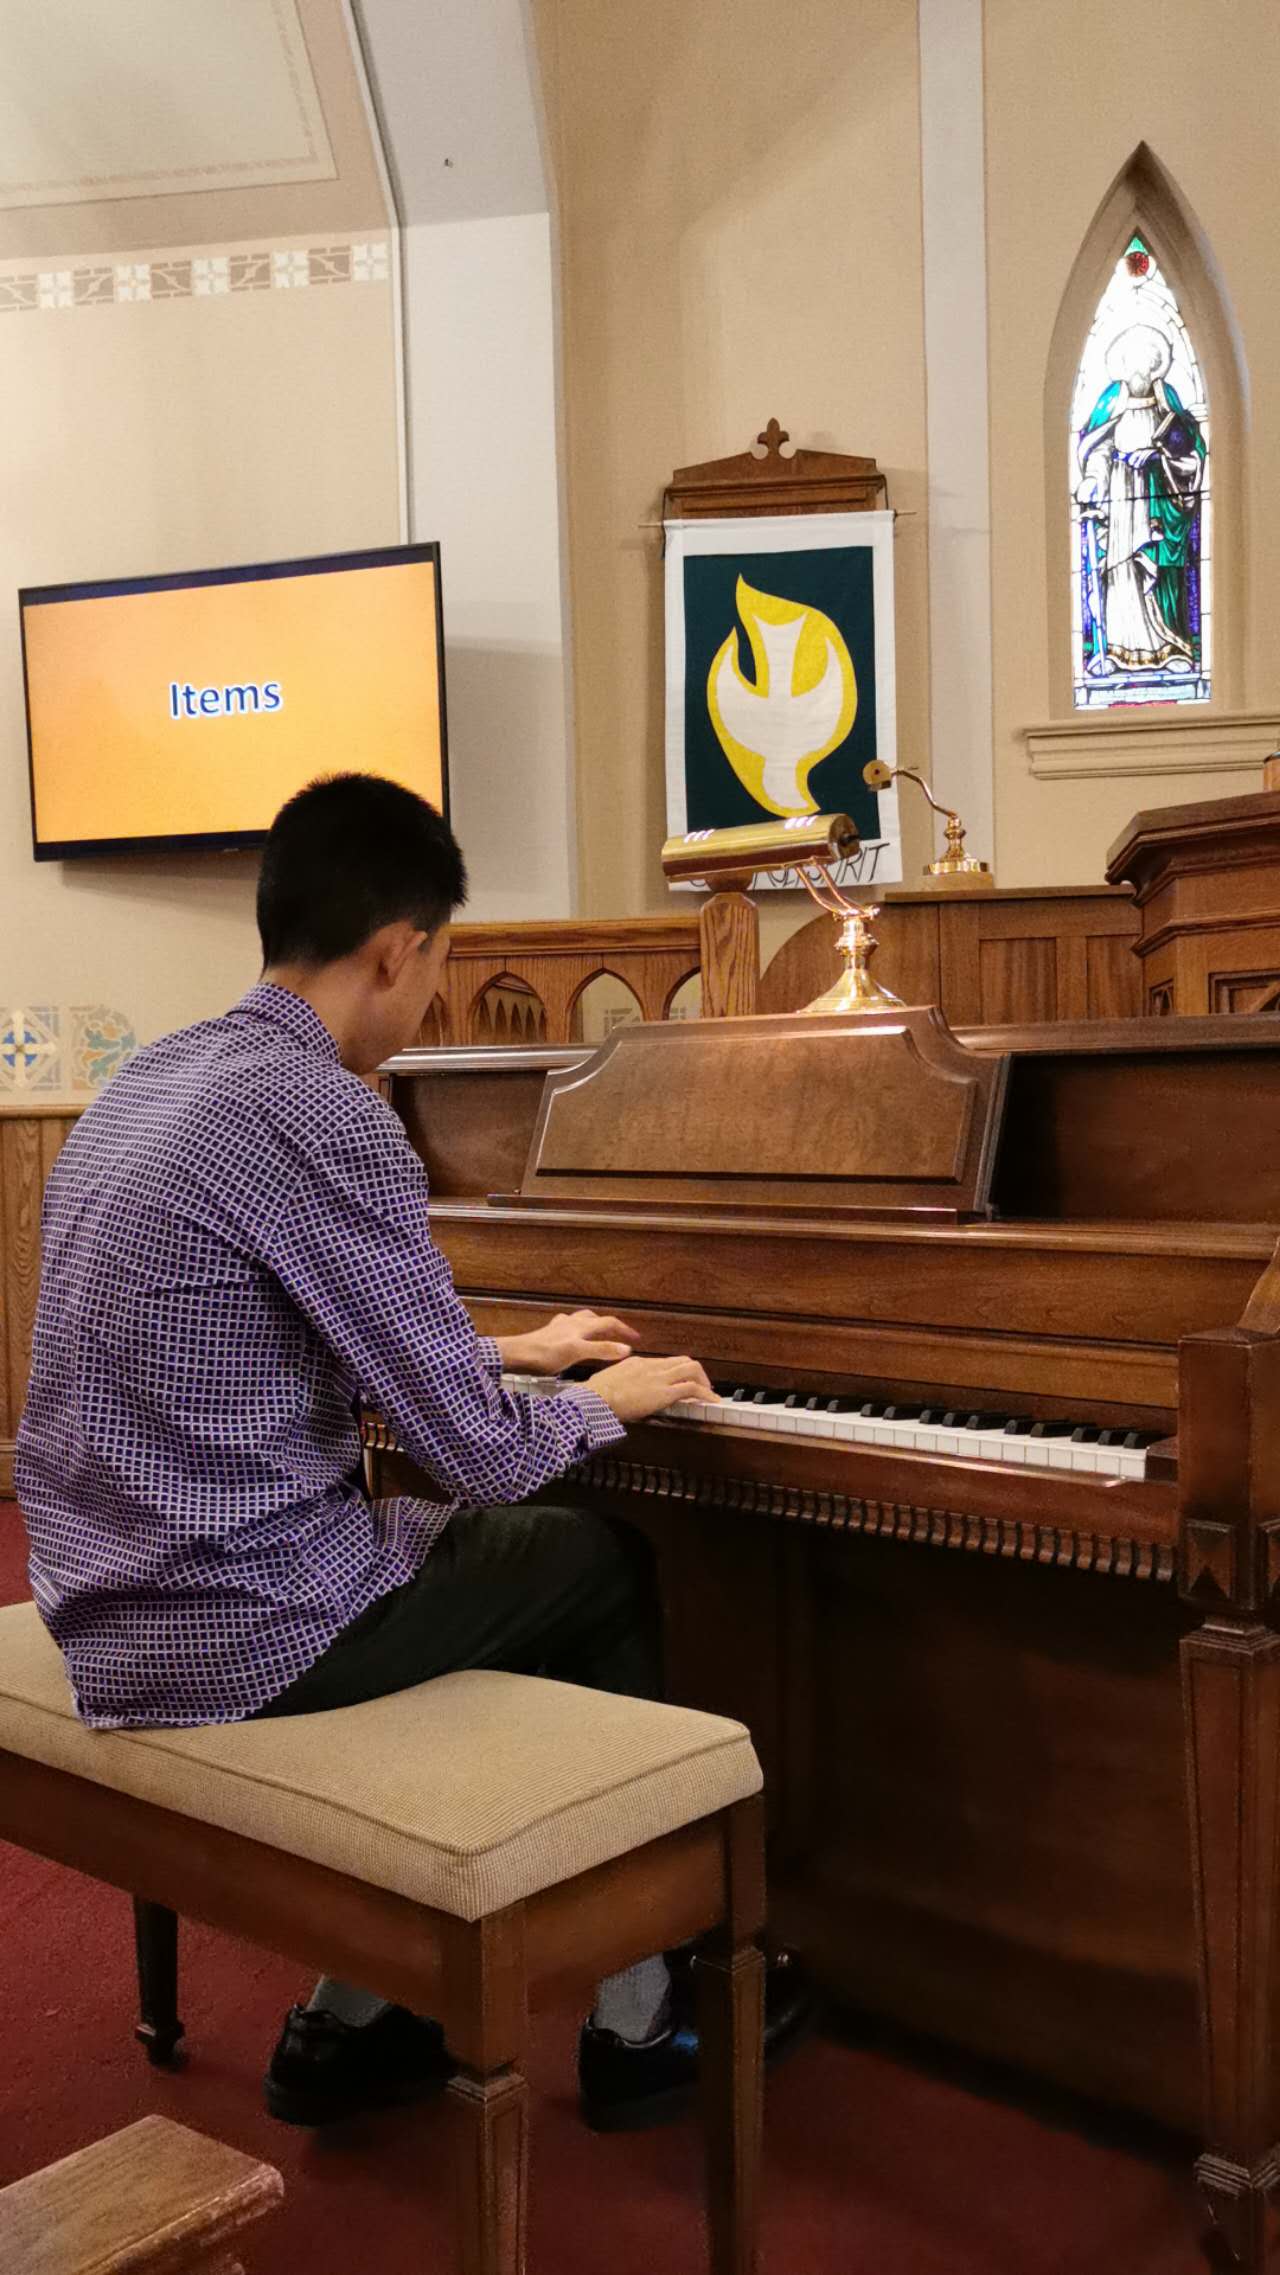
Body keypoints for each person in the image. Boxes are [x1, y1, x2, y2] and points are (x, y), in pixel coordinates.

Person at [17, 772, 803, 2133]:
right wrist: (609, 1397)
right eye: (437, 966)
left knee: (480, 1569)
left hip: (102, 1598)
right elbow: (485, 1459)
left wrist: (505, 1347)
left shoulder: (153, 1080)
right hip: (237, 1624)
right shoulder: (325, 1111)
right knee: (593, 1560)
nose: (430, 997)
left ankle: (357, 2010)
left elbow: (261, 1330)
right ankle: (640, 2013)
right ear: (397, 949)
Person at [1075, 321, 1206, 682]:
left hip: (1155, 496)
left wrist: (1158, 458)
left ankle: (1171, 647)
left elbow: (1191, 451)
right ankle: (1115, 649)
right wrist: (1093, 480)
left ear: (1154, 365)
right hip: (1119, 498)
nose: (1139, 370)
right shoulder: (1112, 400)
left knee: (1156, 569)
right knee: (1120, 570)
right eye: (1133, 361)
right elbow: (1098, 449)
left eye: (1146, 362)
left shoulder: (1167, 401)